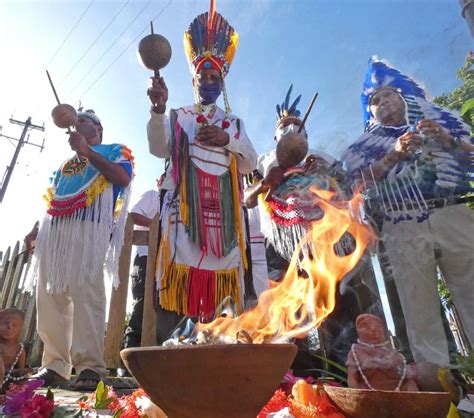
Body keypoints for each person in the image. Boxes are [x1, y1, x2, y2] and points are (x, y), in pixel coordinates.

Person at [342, 57, 474, 366]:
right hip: (402, 222)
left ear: (403, 95)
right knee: (419, 310)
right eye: (375, 100)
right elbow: (355, 183)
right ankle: (440, 390)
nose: (384, 102)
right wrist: (393, 155)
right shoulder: (362, 145)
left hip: (452, 212)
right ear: (369, 110)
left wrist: (447, 140)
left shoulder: (444, 120)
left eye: (389, 94)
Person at [147, 3, 257, 343]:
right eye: (203, 77)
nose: (208, 81)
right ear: (194, 81)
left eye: (215, 77)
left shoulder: (233, 122)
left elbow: (251, 163)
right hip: (185, 213)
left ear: (221, 81)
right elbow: (158, 148)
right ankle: (178, 349)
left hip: (225, 217)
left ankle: (219, 346)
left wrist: (229, 141)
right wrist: (157, 110)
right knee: (180, 280)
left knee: (225, 282)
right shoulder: (180, 115)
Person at [25, 109, 133, 389]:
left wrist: (87, 152)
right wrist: (37, 230)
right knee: (50, 297)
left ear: (99, 128)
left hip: (89, 226)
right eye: (77, 121)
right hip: (54, 230)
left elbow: (122, 178)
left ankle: (90, 367)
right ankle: (54, 366)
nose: (78, 123)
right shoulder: (64, 165)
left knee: (86, 295)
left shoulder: (114, 150)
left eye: (84, 120)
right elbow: (53, 197)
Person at [123, 187, 161, 349]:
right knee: (142, 300)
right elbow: (133, 214)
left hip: (167, 263)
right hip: (145, 256)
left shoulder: (179, 202)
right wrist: (159, 227)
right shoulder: (152, 195)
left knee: (162, 305)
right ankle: (131, 345)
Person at [346, 313, 419, 392]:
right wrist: (357, 396)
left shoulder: (391, 352)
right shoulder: (355, 352)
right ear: (358, 331)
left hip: (399, 393)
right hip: (370, 396)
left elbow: (407, 377)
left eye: (378, 326)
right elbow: (352, 379)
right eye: (365, 326)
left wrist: (412, 391)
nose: (373, 330)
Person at [0, 308, 29, 391]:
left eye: (15, 325)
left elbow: (20, 372)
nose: (10, 327)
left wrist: (21, 372)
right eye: (5, 323)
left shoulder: (19, 350)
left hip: (7, 384)